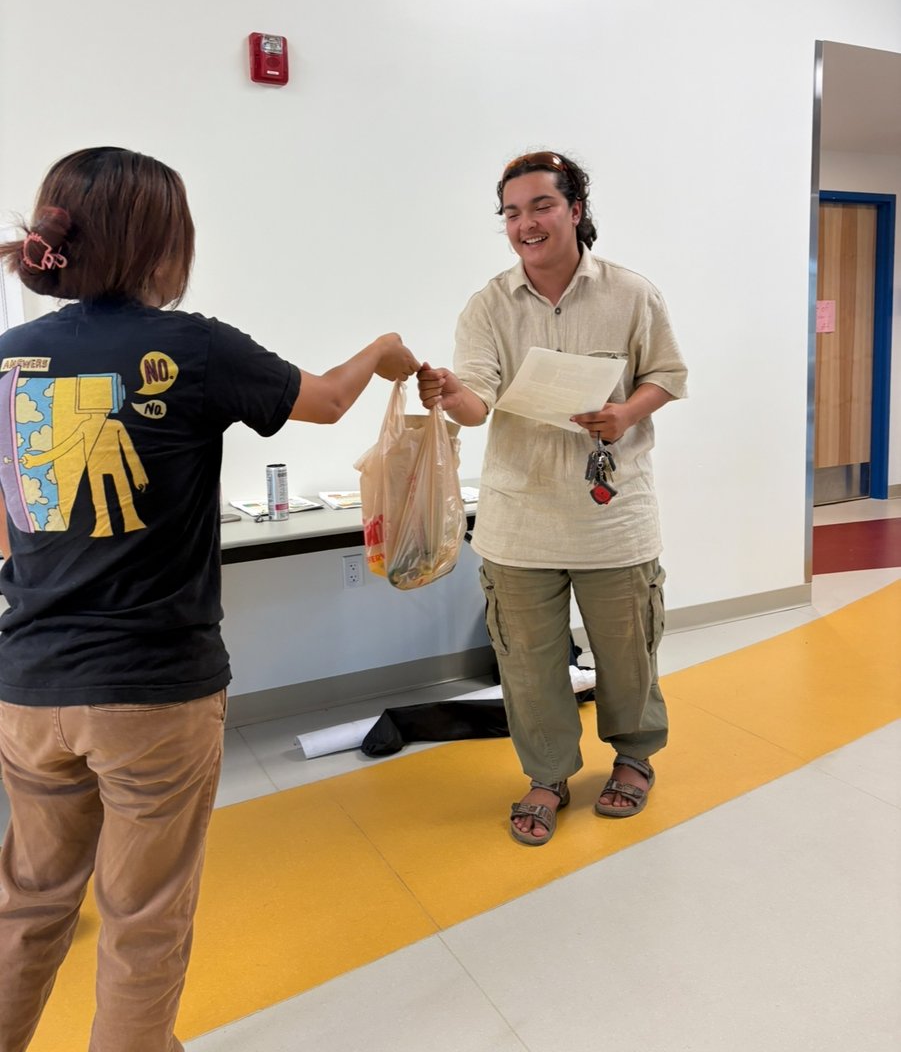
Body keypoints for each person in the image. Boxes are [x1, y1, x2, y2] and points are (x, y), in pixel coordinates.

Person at [0, 146, 419, 1051]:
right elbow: (328, 401)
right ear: (161, 243)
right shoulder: (188, 345)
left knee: (25, 908)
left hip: (29, 685)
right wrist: (384, 349)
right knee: (143, 917)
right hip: (154, 687)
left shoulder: (8, 360)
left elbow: (6, 526)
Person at [418, 150, 687, 846]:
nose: (524, 223)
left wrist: (625, 413)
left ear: (574, 210)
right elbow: (476, 402)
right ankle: (546, 775)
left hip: (612, 517)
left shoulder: (631, 294)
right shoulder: (488, 304)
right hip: (519, 518)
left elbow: (666, 372)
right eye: (511, 212)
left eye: (540, 205)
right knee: (527, 660)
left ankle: (632, 760)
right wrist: (451, 394)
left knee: (627, 651)